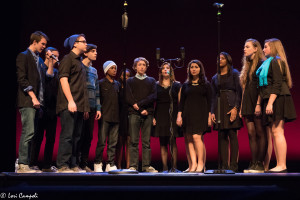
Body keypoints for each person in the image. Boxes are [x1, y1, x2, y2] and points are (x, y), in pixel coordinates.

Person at [256, 38, 296, 173]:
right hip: (273, 98)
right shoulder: (269, 62)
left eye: (266, 46)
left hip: (277, 98)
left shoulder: (275, 61)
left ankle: (282, 164)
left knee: (278, 132)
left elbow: (277, 83)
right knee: (275, 132)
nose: (263, 49)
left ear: (273, 48)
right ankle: (280, 164)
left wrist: (271, 103)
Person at [16, 31, 50, 173]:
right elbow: (22, 79)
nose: (44, 47)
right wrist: (33, 97)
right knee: (28, 132)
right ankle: (22, 163)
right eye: (42, 44)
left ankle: (28, 163)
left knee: (34, 134)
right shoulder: (23, 56)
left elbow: (45, 79)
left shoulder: (40, 61)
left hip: (38, 103)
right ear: (34, 42)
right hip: (28, 101)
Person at [56, 34, 89, 173]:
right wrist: (70, 100)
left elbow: (82, 86)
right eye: (84, 42)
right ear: (75, 44)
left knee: (77, 137)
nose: (86, 44)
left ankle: (73, 164)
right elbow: (63, 80)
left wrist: (85, 107)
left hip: (80, 106)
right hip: (69, 104)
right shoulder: (67, 59)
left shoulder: (80, 62)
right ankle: (62, 165)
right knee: (68, 135)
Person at [177, 59, 212, 173]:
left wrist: (209, 115)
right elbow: (181, 102)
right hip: (188, 115)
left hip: (200, 114)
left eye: (196, 67)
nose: (194, 69)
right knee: (188, 139)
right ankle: (192, 165)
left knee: (197, 137)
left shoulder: (206, 85)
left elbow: (210, 101)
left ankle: (201, 164)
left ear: (200, 69)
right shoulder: (186, 85)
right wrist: (179, 116)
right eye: (192, 67)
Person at [29, 47, 60, 172]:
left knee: (51, 138)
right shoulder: (41, 69)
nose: (56, 59)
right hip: (41, 107)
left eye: (57, 56)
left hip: (52, 109)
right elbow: (47, 77)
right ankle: (32, 163)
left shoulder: (56, 72)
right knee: (37, 137)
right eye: (54, 56)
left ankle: (47, 165)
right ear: (48, 55)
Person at [211, 52, 243, 172]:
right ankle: (224, 165)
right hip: (220, 107)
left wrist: (236, 108)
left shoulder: (234, 74)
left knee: (232, 135)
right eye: (218, 58)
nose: (220, 60)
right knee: (221, 136)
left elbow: (239, 92)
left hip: (231, 105)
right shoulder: (215, 77)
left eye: (222, 58)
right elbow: (213, 96)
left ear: (228, 60)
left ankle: (233, 165)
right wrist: (212, 112)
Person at [239, 39, 267, 173]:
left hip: (257, 100)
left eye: (247, 47)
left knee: (260, 132)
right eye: (244, 47)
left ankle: (260, 164)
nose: (244, 49)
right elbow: (244, 88)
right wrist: (241, 106)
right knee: (251, 133)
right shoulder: (247, 65)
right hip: (247, 101)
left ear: (256, 48)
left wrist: (258, 104)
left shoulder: (261, 64)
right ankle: (254, 162)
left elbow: (262, 86)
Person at [126, 57, 158, 172]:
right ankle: (133, 166)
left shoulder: (152, 81)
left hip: (147, 114)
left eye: (144, 64)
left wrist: (140, 105)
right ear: (135, 67)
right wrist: (140, 109)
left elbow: (153, 96)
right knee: (133, 141)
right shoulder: (130, 81)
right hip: (134, 114)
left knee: (146, 142)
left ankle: (146, 166)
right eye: (139, 64)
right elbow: (129, 97)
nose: (142, 67)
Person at [153, 62, 182, 172]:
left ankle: (174, 167)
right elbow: (152, 102)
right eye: (163, 68)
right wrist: (153, 117)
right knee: (163, 143)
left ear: (171, 71)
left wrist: (180, 115)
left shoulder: (177, 85)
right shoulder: (156, 85)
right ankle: (165, 167)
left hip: (173, 115)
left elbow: (181, 102)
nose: (165, 70)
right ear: (160, 71)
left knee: (173, 142)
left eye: (167, 68)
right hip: (160, 114)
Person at [79, 44, 101, 172]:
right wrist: (84, 106)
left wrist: (98, 107)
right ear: (86, 53)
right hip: (82, 107)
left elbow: (96, 90)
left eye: (96, 51)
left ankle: (83, 163)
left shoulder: (94, 71)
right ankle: (75, 162)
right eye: (93, 51)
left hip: (92, 108)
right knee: (79, 135)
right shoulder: (79, 67)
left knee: (88, 136)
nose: (96, 53)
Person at [94, 61, 120, 172]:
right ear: (106, 70)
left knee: (113, 142)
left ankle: (110, 163)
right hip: (105, 116)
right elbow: (97, 99)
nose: (114, 70)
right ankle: (98, 162)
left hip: (116, 117)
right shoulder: (100, 83)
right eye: (112, 68)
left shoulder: (117, 84)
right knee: (102, 141)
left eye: (115, 68)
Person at [116, 68, 133, 169]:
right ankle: (117, 165)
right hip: (119, 116)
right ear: (120, 76)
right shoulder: (117, 86)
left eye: (128, 76)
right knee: (119, 143)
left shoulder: (131, 88)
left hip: (129, 115)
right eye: (124, 75)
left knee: (129, 142)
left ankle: (128, 166)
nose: (125, 77)